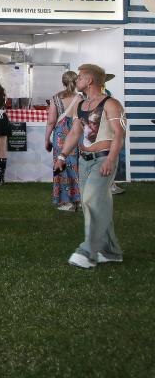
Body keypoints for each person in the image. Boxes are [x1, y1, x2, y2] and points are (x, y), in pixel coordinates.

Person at [53, 64, 126, 269]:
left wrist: (111, 159)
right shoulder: (81, 104)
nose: (77, 81)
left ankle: (88, 252)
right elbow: (75, 133)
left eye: (80, 77)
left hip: (103, 159)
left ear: (89, 81)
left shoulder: (111, 104)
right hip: (84, 161)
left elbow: (119, 134)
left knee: (92, 202)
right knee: (94, 204)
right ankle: (110, 251)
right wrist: (62, 155)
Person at [45, 71, 81, 211]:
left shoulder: (56, 98)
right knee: (76, 166)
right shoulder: (80, 98)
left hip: (60, 135)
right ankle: (78, 200)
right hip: (77, 133)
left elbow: (51, 121)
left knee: (61, 166)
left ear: (63, 82)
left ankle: (66, 202)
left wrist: (46, 139)